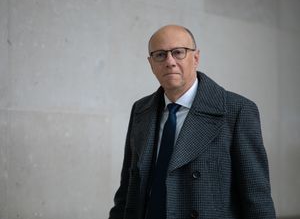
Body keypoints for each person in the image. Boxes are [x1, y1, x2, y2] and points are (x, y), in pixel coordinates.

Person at [108, 25, 276, 219]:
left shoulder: (237, 110)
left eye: (178, 52)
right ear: (151, 64)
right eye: (160, 55)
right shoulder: (140, 110)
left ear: (195, 58)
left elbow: (257, 198)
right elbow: (127, 189)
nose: (170, 61)